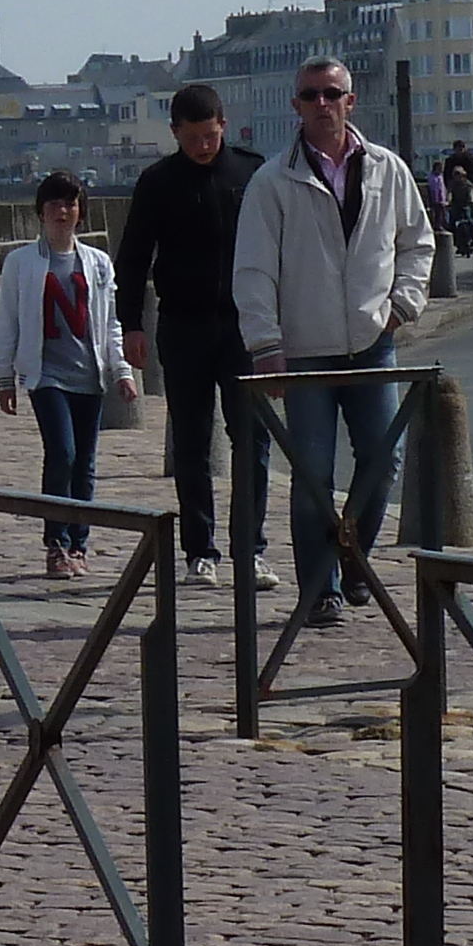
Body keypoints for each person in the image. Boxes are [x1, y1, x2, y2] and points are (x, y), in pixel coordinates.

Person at [229, 57, 435, 628]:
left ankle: (351, 561)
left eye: (332, 93)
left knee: (383, 461)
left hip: (372, 343)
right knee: (313, 473)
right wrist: (266, 343)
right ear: (295, 106)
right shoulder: (273, 182)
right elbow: (253, 270)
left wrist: (402, 306)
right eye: (311, 95)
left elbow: (418, 243)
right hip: (306, 349)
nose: (322, 104)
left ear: (351, 102)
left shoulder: (387, 171)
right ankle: (320, 589)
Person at [114, 82, 264, 586]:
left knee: (252, 438)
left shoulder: (252, 172)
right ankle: (201, 549)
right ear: (175, 133)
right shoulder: (158, 183)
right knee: (193, 442)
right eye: (193, 137)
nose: (204, 145)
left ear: (223, 125)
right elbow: (133, 258)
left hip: (244, 325)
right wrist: (130, 324)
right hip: (182, 325)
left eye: (211, 134)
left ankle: (252, 547)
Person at [0, 172, 135, 579]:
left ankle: (79, 543)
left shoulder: (97, 263)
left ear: (81, 212)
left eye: (70, 204)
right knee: (63, 453)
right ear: (40, 212)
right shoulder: (21, 263)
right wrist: (5, 376)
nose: (62, 211)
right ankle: (56, 543)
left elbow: (109, 323)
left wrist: (121, 370)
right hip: (46, 375)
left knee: (85, 464)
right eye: (54, 204)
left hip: (88, 376)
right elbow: (7, 322)